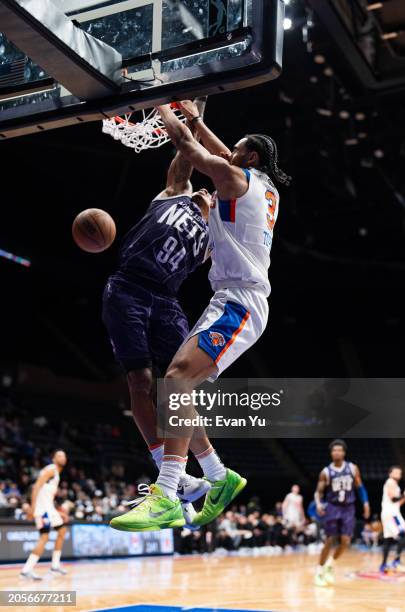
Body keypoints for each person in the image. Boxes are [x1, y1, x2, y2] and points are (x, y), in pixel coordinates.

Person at [110, 98, 291, 532]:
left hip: (240, 302)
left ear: (248, 156)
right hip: (229, 299)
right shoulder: (262, 184)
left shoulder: (232, 175)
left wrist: (162, 107)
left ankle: (167, 494)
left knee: (175, 380)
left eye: (236, 148)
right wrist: (193, 114)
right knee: (178, 383)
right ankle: (217, 476)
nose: (229, 151)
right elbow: (212, 145)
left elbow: (192, 150)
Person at [103, 99, 212, 526]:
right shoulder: (174, 193)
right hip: (129, 287)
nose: (205, 188)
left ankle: (197, 472)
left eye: (212, 190)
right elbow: (186, 155)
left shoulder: (211, 241)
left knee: (176, 385)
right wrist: (196, 107)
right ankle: (174, 476)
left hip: (166, 301)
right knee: (140, 380)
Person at [314, 439, 370, 586]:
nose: (337, 452)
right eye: (334, 450)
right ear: (331, 453)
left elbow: (360, 487)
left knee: (346, 541)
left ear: (344, 453)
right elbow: (318, 492)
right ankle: (319, 571)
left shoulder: (352, 468)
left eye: (339, 450)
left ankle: (329, 565)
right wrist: (319, 504)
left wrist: (365, 503)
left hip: (348, 508)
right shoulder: (325, 472)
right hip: (332, 507)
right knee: (329, 540)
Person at [20, 450, 68, 580]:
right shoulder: (51, 470)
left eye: (64, 456)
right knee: (44, 537)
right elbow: (36, 487)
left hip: (49, 509)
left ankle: (55, 566)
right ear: (53, 459)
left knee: (62, 530)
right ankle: (26, 570)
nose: (62, 458)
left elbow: (46, 496)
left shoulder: (56, 473)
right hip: (42, 510)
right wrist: (32, 507)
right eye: (59, 456)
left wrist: (58, 512)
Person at [379, 465, 405, 573]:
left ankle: (383, 565)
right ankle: (396, 562)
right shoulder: (390, 482)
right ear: (390, 473)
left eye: (399, 473)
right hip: (391, 514)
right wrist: (404, 494)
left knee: (388, 539)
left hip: (390, 512)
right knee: (403, 533)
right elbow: (393, 498)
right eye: (396, 472)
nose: (398, 474)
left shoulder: (394, 484)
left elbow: (397, 503)